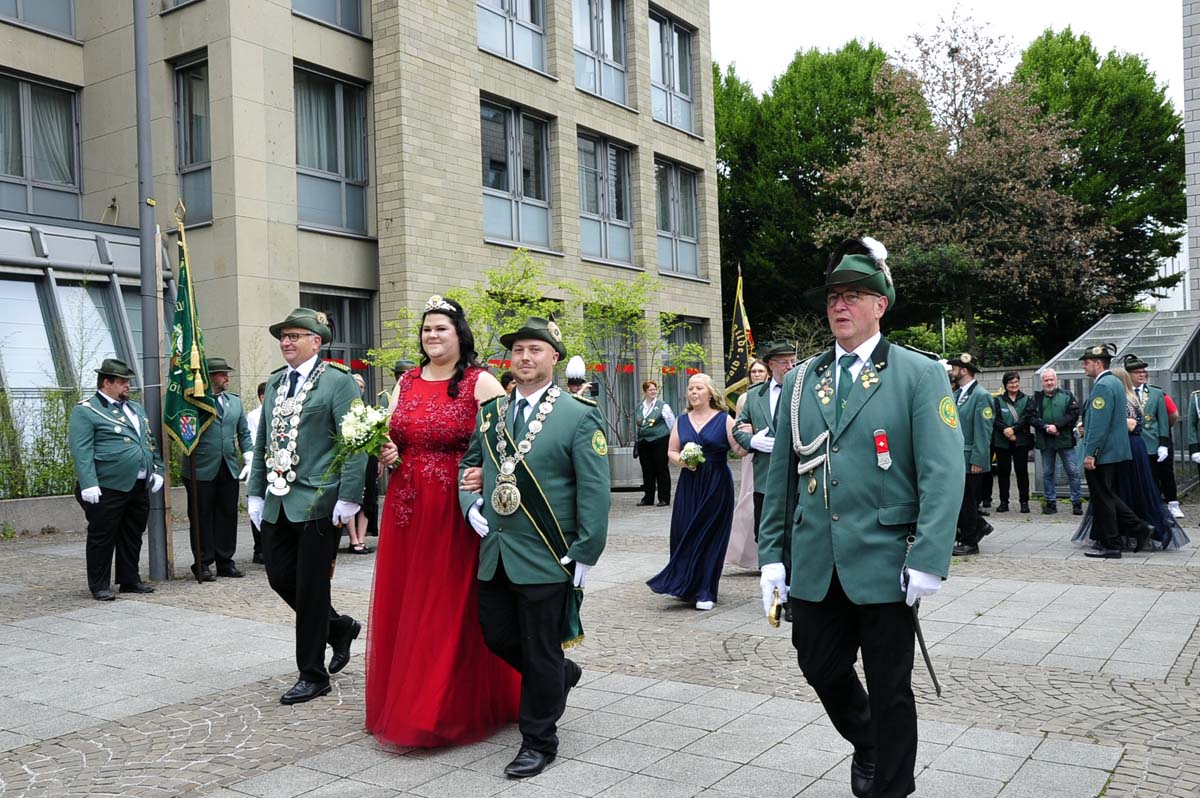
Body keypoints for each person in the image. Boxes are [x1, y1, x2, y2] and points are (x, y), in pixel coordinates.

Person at [758, 237, 963, 798]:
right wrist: (772, 557)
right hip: (817, 561)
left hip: (885, 559)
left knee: (891, 685)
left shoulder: (917, 373)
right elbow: (781, 475)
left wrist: (929, 558)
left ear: (881, 304)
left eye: (853, 295)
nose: (840, 306)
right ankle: (869, 740)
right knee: (819, 667)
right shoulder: (802, 380)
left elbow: (943, 473)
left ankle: (891, 786)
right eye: (832, 298)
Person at [458, 316, 610, 779]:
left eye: (535, 350)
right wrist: (469, 504)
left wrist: (586, 551)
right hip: (496, 551)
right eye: (519, 350)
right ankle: (558, 678)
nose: (525, 357)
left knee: (541, 649)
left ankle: (539, 740)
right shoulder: (490, 414)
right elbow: (469, 465)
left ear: (555, 358)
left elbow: (595, 490)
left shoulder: (578, 415)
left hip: (548, 552)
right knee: (497, 635)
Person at [366, 295, 520, 749]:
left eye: (442, 329)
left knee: (447, 605)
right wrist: (386, 451)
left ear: (459, 335)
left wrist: (484, 473)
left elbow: (508, 448)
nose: (432, 336)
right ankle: (406, 697)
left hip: (455, 509)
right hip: (406, 504)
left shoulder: (481, 382)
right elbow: (388, 435)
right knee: (407, 599)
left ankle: (439, 709)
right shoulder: (407, 382)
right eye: (427, 329)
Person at [247, 308, 367, 705]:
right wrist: (255, 491)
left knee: (312, 588)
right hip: (279, 502)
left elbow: (354, 440)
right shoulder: (278, 382)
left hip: (319, 500)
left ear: (316, 341)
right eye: (283, 336)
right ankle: (339, 628)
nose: (286, 342)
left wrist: (350, 495)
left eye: (295, 336)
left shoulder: (338, 382)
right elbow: (264, 437)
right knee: (280, 577)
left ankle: (312, 674)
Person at [68, 358, 165, 601]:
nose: (127, 386)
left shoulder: (135, 408)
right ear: (106, 382)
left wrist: (158, 469)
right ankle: (99, 584)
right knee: (102, 536)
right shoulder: (87, 410)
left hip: (138, 483)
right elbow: (82, 450)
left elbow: (149, 441)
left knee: (132, 533)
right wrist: (88, 482)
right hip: (107, 485)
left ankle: (129, 579)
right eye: (122, 382)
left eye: (128, 382)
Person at [647, 373, 746, 610]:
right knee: (684, 532)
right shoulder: (681, 420)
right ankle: (687, 583)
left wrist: (752, 437)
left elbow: (739, 449)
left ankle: (706, 590)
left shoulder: (724, 419)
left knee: (710, 535)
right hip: (690, 485)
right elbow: (671, 451)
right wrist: (682, 461)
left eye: (698, 388)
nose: (693, 392)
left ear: (710, 393)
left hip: (716, 484)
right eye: (690, 388)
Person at [181, 357, 253, 581]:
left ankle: (225, 560)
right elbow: (184, 431)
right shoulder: (194, 401)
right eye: (222, 374)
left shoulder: (235, 402)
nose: (227, 378)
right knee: (201, 517)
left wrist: (248, 454)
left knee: (227, 515)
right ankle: (202, 561)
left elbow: (243, 432)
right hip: (201, 467)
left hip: (228, 466)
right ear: (210, 376)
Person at [1077, 344, 1150, 559]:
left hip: (1103, 453)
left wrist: (1092, 453)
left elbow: (1100, 425)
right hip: (1113, 452)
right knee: (1107, 495)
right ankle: (1138, 528)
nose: (1084, 366)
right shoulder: (1115, 383)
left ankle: (1114, 544)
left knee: (1103, 498)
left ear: (1098, 363)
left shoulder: (1103, 386)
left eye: (1087, 363)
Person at [733, 341, 799, 537]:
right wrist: (752, 441)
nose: (790, 367)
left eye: (793, 362)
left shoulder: (803, 391)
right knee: (764, 532)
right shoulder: (755, 395)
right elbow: (738, 427)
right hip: (765, 478)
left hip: (796, 476)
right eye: (784, 362)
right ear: (771, 364)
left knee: (795, 533)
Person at [1124, 354, 1184, 519]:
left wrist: (1164, 443)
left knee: (1162, 474)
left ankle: (1170, 504)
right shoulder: (1124, 393)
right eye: (1138, 372)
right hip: (1135, 442)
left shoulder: (1156, 393)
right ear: (1129, 375)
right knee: (1142, 477)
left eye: (1144, 372)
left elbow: (1165, 419)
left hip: (1154, 442)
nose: (1142, 375)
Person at [949, 353, 994, 556]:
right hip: (958, 458)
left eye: (954, 368)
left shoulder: (981, 396)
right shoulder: (959, 394)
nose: (951, 371)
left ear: (964, 370)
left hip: (970, 459)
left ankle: (970, 542)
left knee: (966, 501)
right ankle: (980, 526)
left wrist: (978, 458)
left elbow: (983, 431)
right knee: (959, 500)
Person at [727, 359, 769, 570]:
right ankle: (745, 554)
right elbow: (739, 423)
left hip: (769, 452)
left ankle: (761, 555)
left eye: (761, 371)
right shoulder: (746, 397)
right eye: (754, 371)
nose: (757, 374)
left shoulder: (772, 394)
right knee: (748, 497)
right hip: (751, 450)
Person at [1029, 368, 1082, 515]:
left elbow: (1074, 414)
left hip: (1064, 440)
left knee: (1073, 472)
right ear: (1042, 382)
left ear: (1056, 380)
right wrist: (1046, 427)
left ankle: (1076, 502)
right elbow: (1031, 417)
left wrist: (1057, 426)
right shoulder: (1036, 398)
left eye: (1051, 379)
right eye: (1046, 380)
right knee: (1047, 473)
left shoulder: (1067, 395)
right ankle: (1050, 503)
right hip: (1046, 441)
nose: (1049, 382)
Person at [990, 371, 1034, 514]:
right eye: (1011, 382)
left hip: (1020, 441)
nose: (1014, 385)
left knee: (1022, 472)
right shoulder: (997, 400)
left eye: (1016, 382)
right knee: (1003, 472)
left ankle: (1024, 502)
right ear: (1005, 385)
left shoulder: (1027, 399)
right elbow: (995, 418)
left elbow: (1027, 417)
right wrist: (1006, 430)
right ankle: (1004, 502)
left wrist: (1014, 429)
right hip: (1002, 442)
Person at [341, 373, 374, 555]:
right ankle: (353, 539)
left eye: (362, 387)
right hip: (348, 460)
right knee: (352, 497)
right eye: (356, 386)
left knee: (368, 499)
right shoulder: (343, 408)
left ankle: (362, 537)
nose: (359, 390)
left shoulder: (369, 410)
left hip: (368, 459)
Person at [635, 379, 675, 507]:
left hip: (659, 441)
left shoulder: (663, 406)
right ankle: (648, 497)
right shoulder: (640, 406)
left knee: (661, 469)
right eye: (650, 390)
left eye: (654, 389)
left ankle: (664, 498)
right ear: (645, 392)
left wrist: (672, 439)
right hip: (644, 442)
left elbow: (671, 422)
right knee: (647, 470)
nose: (653, 392)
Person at [244, 381, 268, 563]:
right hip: (260, 464)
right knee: (257, 504)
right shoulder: (253, 416)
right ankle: (259, 548)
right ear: (262, 397)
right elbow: (253, 442)